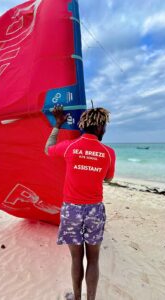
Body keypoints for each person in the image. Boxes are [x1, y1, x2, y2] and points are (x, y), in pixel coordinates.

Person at [44, 104, 116, 300]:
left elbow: (48, 149)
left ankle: (76, 298)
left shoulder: (70, 147)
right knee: (93, 259)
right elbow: (108, 178)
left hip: (71, 210)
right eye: (104, 128)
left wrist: (58, 124)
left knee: (77, 258)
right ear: (100, 127)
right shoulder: (108, 152)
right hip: (94, 210)